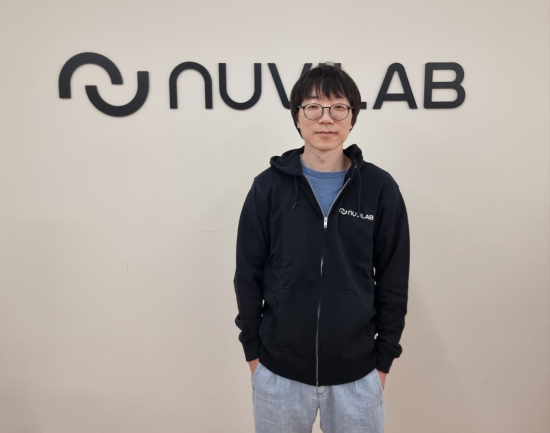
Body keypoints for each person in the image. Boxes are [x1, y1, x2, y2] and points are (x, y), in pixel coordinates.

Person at [233, 63, 410, 433]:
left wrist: (382, 361)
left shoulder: (379, 189)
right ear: (297, 116)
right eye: (313, 107)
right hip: (278, 373)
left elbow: (393, 279)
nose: (326, 118)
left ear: (352, 117)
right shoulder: (268, 187)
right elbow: (247, 273)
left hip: (357, 375)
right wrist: (253, 354)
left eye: (338, 107)